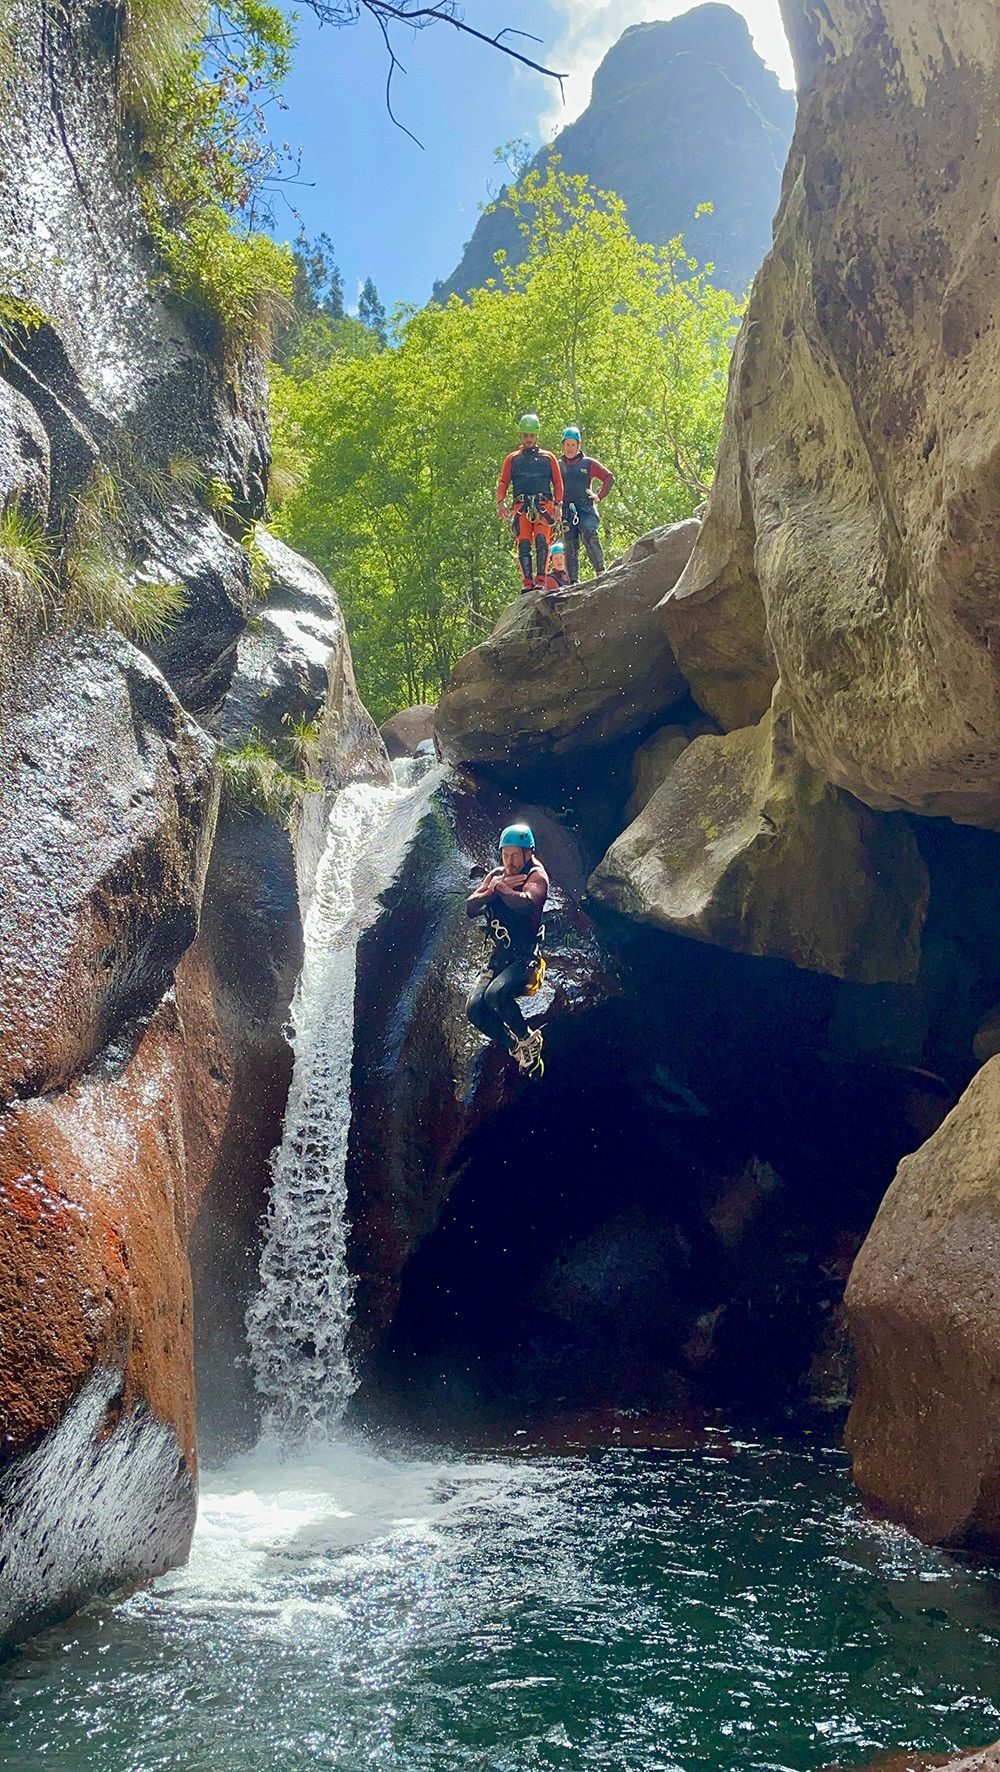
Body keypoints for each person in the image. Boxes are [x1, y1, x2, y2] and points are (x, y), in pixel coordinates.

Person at [466, 823, 549, 1076]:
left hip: (526, 958)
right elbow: (470, 908)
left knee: (495, 996)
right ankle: (516, 1046)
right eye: (505, 854)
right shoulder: (496, 875)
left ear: (528, 853)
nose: (509, 861)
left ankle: (528, 1040)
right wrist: (494, 889)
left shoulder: (537, 877)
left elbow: (524, 904)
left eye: (515, 855)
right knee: (475, 1009)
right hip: (500, 955)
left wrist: (502, 889)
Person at [497, 416, 564, 593]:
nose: (529, 439)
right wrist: (500, 501)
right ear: (520, 436)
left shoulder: (548, 457)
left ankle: (541, 579)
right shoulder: (512, 459)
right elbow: (504, 481)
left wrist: (558, 504)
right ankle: (527, 582)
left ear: (537, 436)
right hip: (522, 507)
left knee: (542, 541)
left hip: (544, 505)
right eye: (525, 435)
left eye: (532, 436)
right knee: (524, 544)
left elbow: (557, 482)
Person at [559, 427, 614, 583]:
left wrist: (599, 496)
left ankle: (600, 570)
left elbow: (609, 477)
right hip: (567, 510)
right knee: (570, 543)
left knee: (589, 532)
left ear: (578, 446)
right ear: (563, 445)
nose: (570, 448)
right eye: (567, 444)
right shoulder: (557, 465)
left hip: (586, 508)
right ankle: (573, 581)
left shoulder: (588, 463)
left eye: (573, 445)